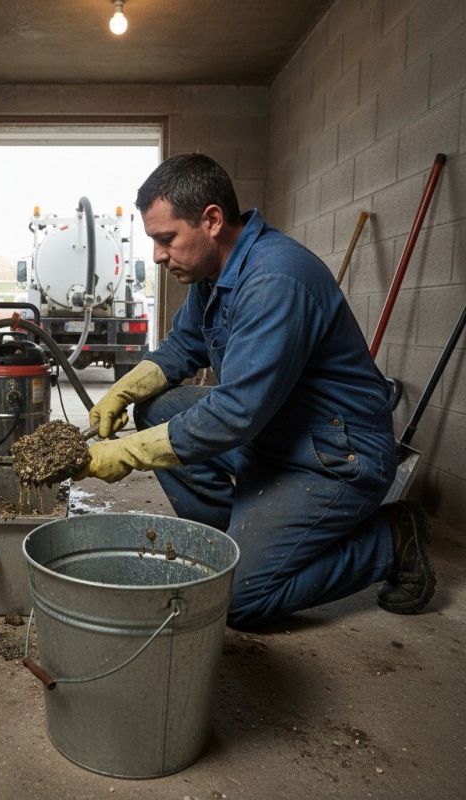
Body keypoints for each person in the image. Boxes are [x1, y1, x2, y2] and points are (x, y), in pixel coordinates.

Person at [76, 153, 435, 629]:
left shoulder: (275, 278)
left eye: (166, 239)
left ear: (211, 220)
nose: (158, 256)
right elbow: (185, 344)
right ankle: (233, 541)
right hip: (275, 431)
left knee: (236, 602)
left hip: (335, 456)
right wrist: (122, 392)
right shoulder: (214, 273)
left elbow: (235, 413)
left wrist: (125, 454)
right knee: (158, 408)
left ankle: (388, 541)